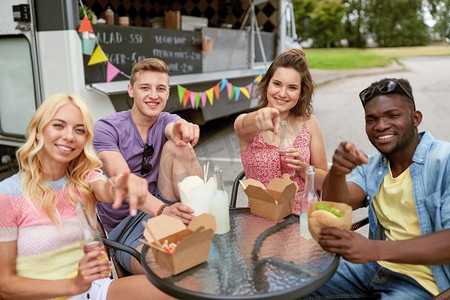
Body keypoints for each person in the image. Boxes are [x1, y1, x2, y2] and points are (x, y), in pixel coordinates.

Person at [0, 93, 173, 300]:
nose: (69, 136)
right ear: (38, 131)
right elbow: (5, 285)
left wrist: (124, 183)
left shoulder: (84, 179)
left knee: (183, 287)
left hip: (94, 290)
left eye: (79, 130)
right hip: (48, 294)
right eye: (58, 125)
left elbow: (108, 189)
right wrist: (73, 285)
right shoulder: (8, 194)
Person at [304, 78, 450, 299]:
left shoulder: (444, 161)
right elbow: (336, 207)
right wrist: (338, 172)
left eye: (393, 115)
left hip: (422, 283)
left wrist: (373, 250)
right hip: (374, 269)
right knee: (298, 282)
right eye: (371, 119)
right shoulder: (372, 166)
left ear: (415, 118)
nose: (380, 126)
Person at [93, 57, 203, 275]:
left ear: (168, 92)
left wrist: (181, 131)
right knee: (165, 266)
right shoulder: (106, 127)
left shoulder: (167, 120)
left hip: (165, 203)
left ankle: (198, 217)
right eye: (145, 88)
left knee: (180, 146)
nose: (154, 95)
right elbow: (123, 181)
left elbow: (174, 128)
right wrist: (163, 211)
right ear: (131, 90)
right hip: (125, 226)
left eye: (160, 89)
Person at [234, 49, 328, 214]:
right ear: (267, 84)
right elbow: (242, 126)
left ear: (301, 93)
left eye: (292, 87)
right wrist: (260, 117)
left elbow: (325, 183)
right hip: (261, 216)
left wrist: (303, 168)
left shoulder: (310, 122)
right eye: (277, 84)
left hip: (302, 217)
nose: (282, 93)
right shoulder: (250, 124)